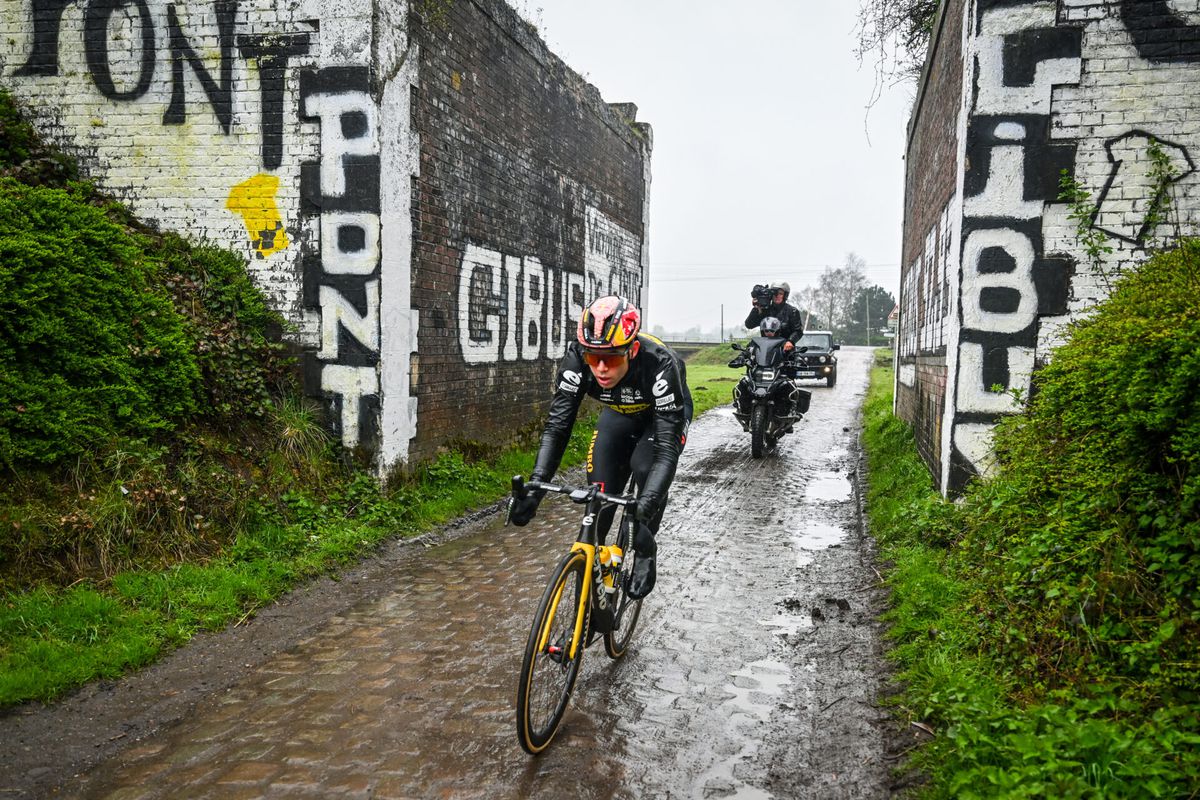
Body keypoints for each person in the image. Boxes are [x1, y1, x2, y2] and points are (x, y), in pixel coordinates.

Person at [508, 295, 693, 599]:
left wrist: (644, 509)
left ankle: (646, 550)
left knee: (645, 471)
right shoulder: (577, 358)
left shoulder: (659, 364)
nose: (602, 368)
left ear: (632, 350)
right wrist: (538, 484)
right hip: (619, 413)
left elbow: (666, 451)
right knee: (601, 492)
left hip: (660, 419)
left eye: (612, 359)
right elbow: (558, 426)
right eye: (594, 358)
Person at [745, 281, 803, 351]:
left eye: (780, 294)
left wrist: (790, 341)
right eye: (774, 293)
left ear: (785, 295)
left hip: (785, 350)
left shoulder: (792, 311)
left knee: (797, 361)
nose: (777, 296)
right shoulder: (765, 310)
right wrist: (757, 307)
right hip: (766, 350)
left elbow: (798, 331)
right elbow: (749, 325)